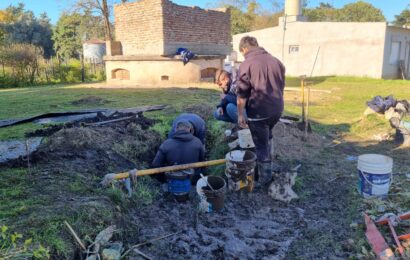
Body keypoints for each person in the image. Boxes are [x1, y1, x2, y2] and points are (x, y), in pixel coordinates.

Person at [236, 36, 286, 186]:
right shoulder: (277, 61)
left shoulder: (247, 64)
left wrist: (240, 114)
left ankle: (264, 180)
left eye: (242, 52)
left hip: (259, 111)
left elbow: (242, 93)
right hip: (277, 109)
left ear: (244, 49)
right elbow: (281, 86)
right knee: (267, 136)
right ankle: (268, 165)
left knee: (261, 146)